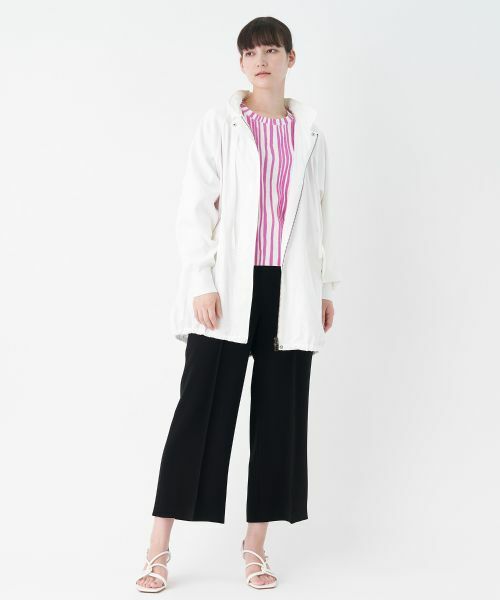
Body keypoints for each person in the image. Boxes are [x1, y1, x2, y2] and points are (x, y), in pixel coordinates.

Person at [135, 15, 341, 592]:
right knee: (198, 414)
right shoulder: (221, 123)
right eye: (250, 52)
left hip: (289, 292)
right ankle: (157, 547)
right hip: (228, 289)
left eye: (271, 50)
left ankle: (255, 547)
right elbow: (194, 206)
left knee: (278, 422)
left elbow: (324, 214)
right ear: (241, 62)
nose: (260, 61)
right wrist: (201, 280)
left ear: (290, 59)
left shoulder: (311, 134)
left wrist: (325, 288)